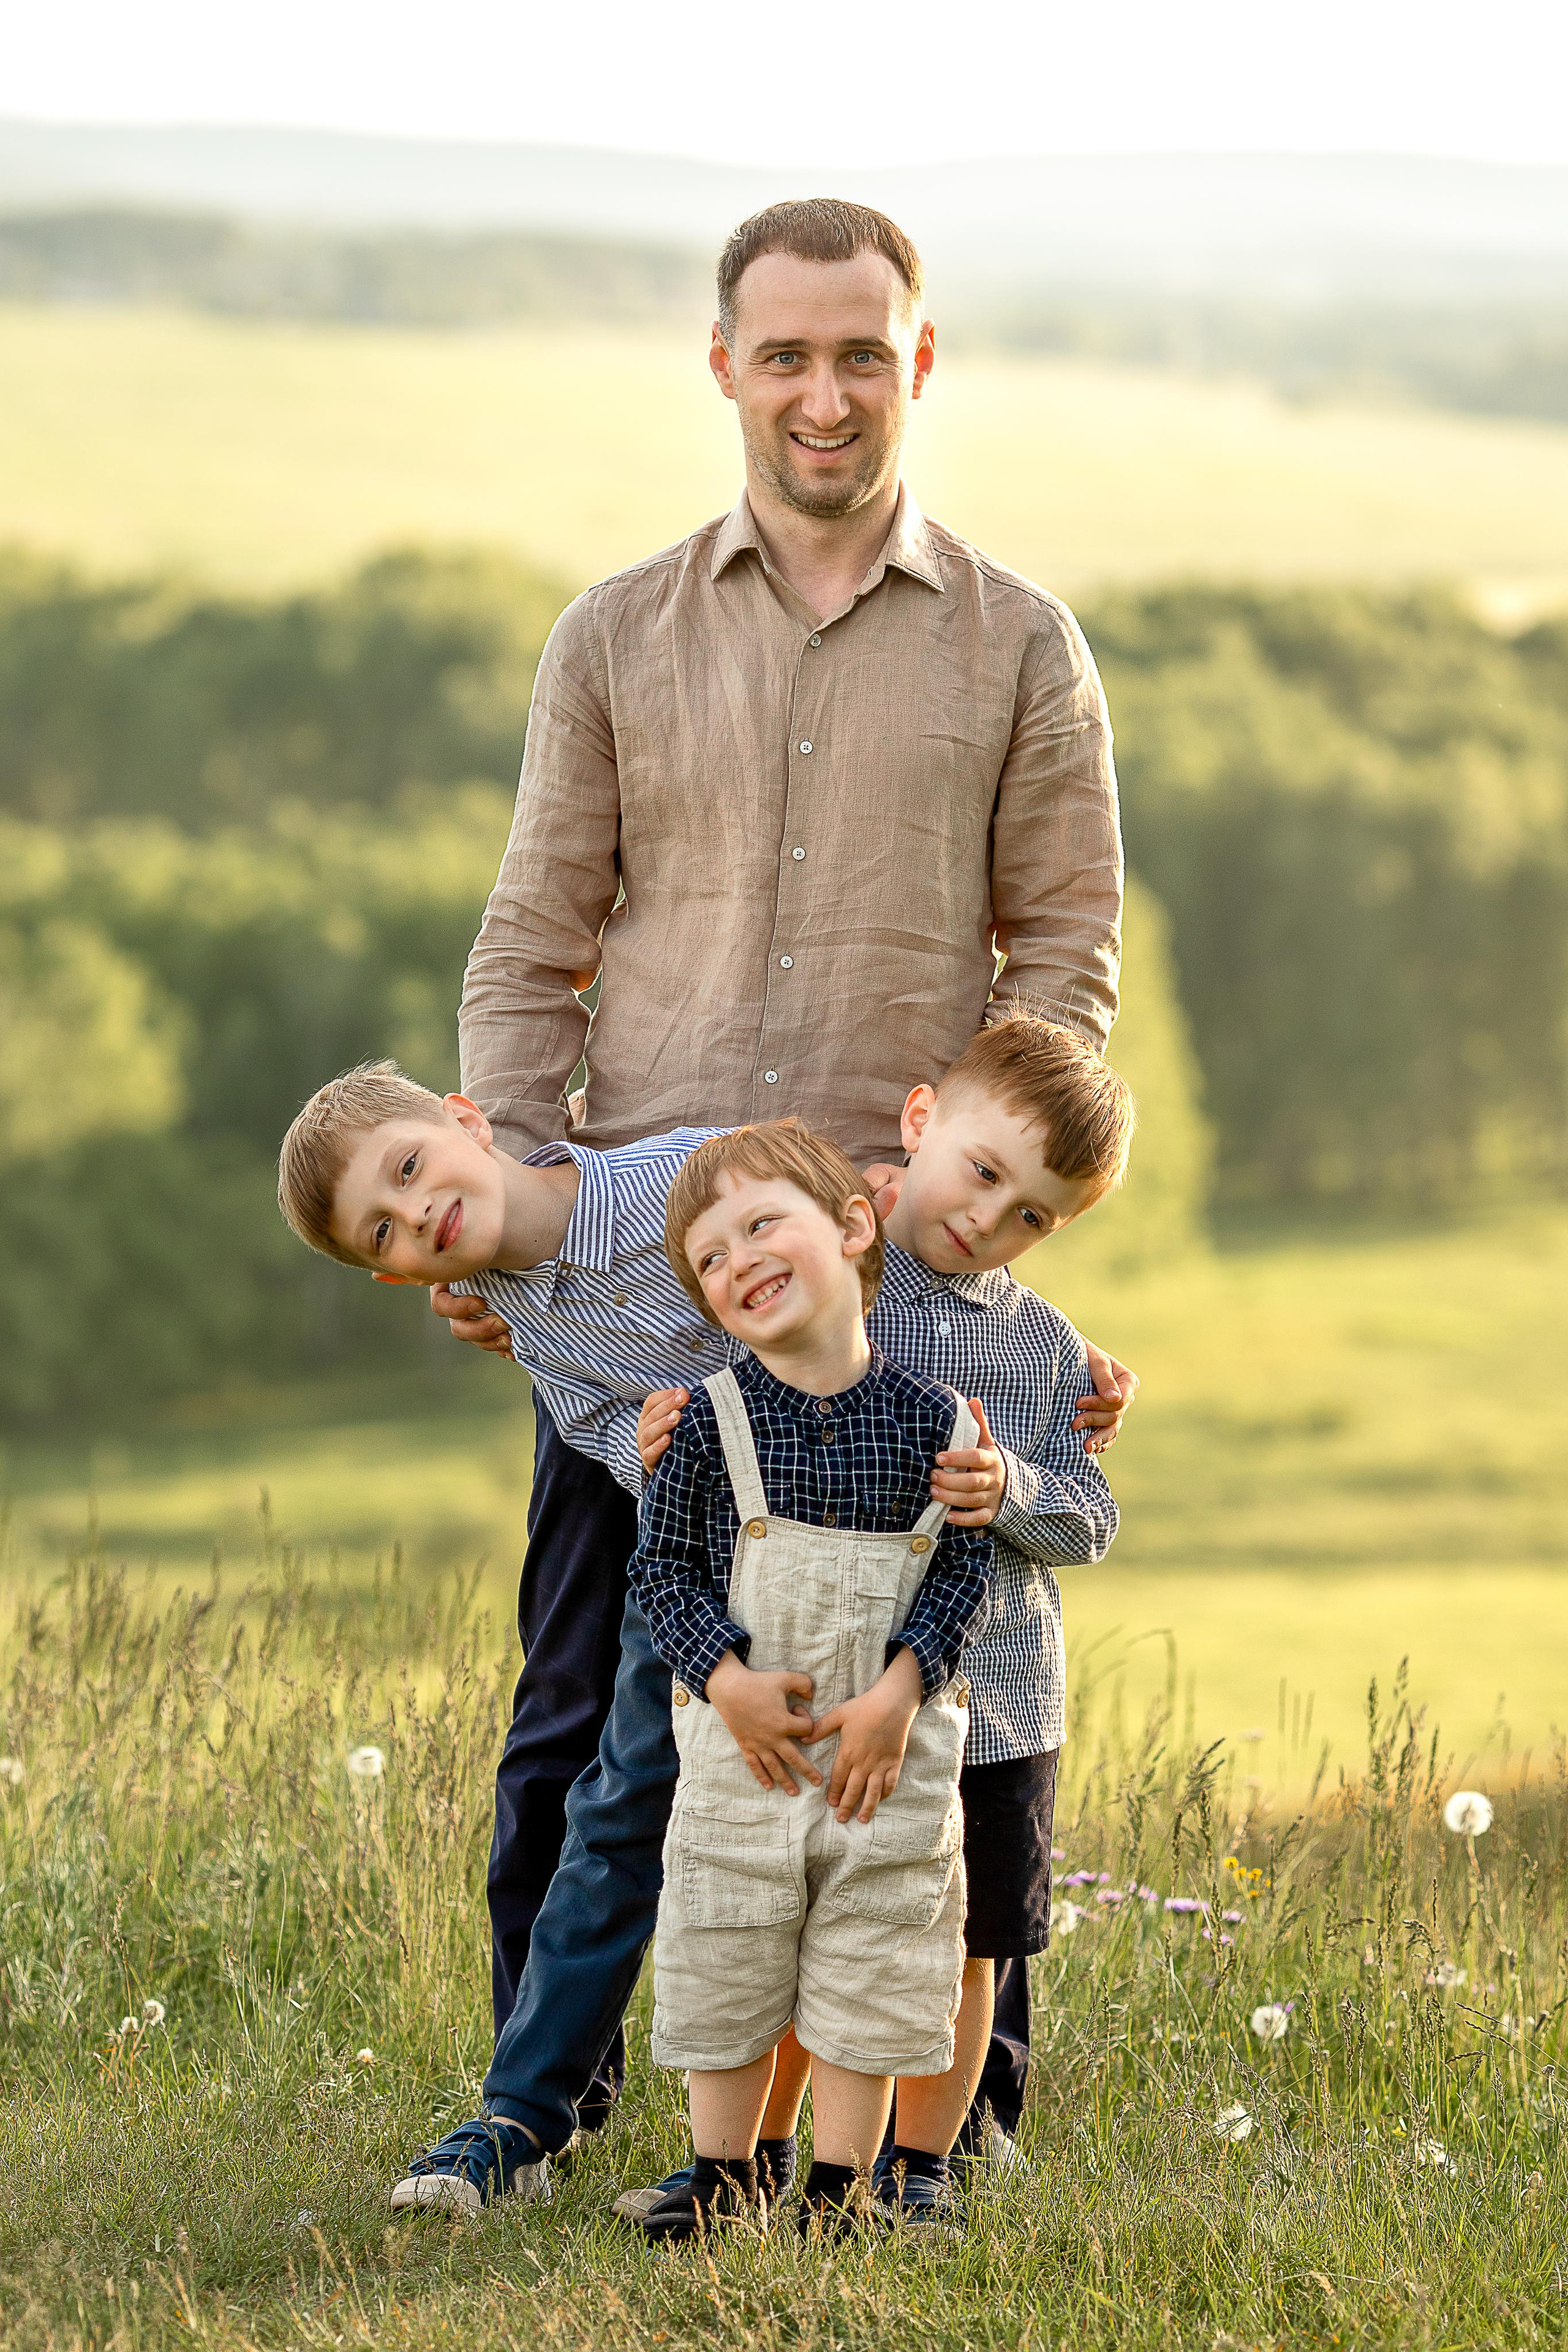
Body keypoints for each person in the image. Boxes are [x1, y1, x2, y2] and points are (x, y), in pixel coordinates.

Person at [432, 192, 1129, 2163]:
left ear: (916, 367)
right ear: (727, 366)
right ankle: (535, 2100)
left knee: (947, 1699)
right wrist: (513, 1201)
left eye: (860, 354)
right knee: (588, 1707)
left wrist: (986, 1232)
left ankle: (943, 2112)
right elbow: (528, 948)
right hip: (650, 1275)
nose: (823, 392)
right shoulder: (614, 636)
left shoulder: (1020, 645)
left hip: (888, 1278)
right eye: (786, 353)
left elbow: (1064, 963)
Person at [272, 1016, 1129, 2217]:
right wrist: (651, 1449)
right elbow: (604, 1434)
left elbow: (883, 1253)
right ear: (392, 1276)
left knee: (882, 1870)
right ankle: (539, 2120)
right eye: (385, 1228)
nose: (416, 1215)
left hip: (872, 1566)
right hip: (717, 1569)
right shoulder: (521, 1318)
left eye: (410, 1172)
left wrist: (1054, 1343)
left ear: (467, 1121)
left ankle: (912, 2159)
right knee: (633, 1812)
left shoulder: (684, 1173)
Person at [631, 1121, 993, 2242]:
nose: (736, 1260)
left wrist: (902, 1693)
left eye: (758, 1225)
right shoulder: (706, 1426)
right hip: (752, 1754)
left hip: (883, 1758)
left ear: (849, 1228)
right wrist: (722, 1682)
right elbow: (662, 1568)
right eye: (708, 1258)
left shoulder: (932, 1419)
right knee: (727, 1944)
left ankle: (841, 2189)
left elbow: (962, 1568)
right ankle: (722, 2174)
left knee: (876, 1956)